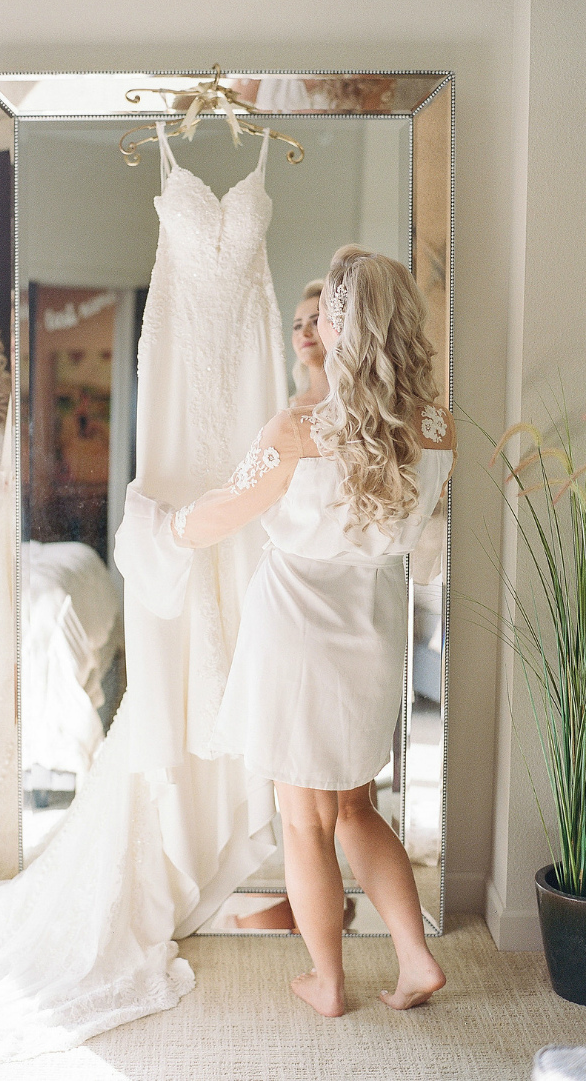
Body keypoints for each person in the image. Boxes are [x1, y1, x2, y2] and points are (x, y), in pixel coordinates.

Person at [157, 245, 454, 1016]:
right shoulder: (437, 428)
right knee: (355, 806)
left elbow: (226, 509)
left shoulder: (298, 429)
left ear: (342, 328)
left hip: (297, 632)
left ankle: (327, 979)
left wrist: (165, 527)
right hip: (373, 627)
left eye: (323, 314)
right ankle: (415, 958)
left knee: (302, 818)